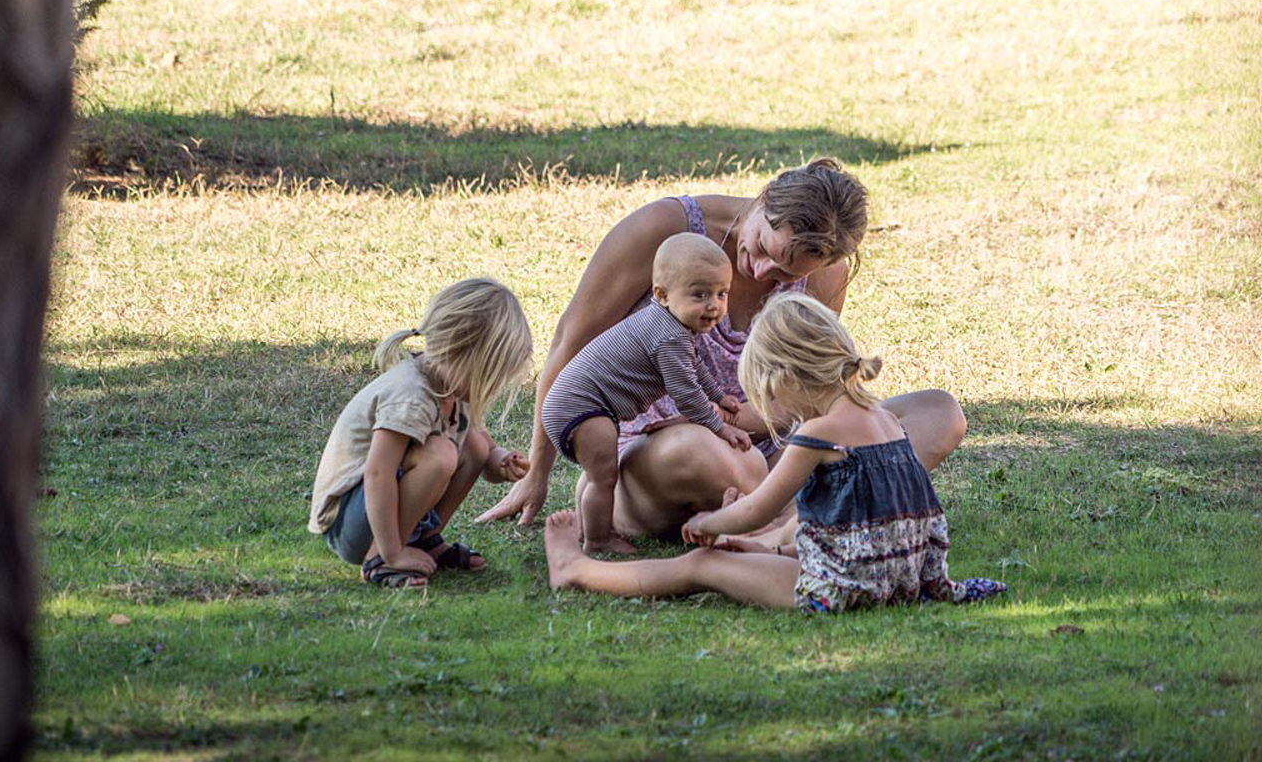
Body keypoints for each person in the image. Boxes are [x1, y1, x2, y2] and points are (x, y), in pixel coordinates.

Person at [478, 158, 967, 537]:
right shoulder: (665, 230)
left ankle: (771, 524)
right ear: (764, 198)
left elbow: (807, 390)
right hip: (660, 453)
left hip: (764, 450)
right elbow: (572, 340)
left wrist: (746, 422)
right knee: (710, 451)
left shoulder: (824, 271)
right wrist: (537, 472)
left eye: (786, 275)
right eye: (762, 249)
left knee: (938, 414)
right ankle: (791, 524)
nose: (760, 274)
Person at [543, 293, 1006, 611]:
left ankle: (577, 569)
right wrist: (766, 546)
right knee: (746, 553)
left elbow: (757, 508)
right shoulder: (886, 422)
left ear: (785, 379)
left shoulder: (817, 434)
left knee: (702, 565)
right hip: (902, 580)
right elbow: (857, 520)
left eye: (766, 393)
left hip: (843, 587)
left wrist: (708, 524)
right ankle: (759, 555)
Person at [308, 277, 533, 588]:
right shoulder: (411, 397)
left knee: (476, 445)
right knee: (440, 455)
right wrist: (391, 551)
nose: (491, 388)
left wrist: (502, 461)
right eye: (488, 376)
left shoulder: (453, 389)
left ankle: (425, 540)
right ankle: (382, 561)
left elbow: (484, 458)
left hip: (380, 513)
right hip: (350, 521)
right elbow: (377, 473)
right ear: (461, 355)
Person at [541, 233, 752, 554]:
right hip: (582, 406)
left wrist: (720, 396)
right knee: (604, 476)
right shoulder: (667, 337)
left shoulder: (671, 327)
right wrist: (720, 426)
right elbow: (686, 394)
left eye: (722, 293)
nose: (714, 305)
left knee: (600, 470)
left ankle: (587, 525)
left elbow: (695, 368)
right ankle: (597, 539)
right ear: (662, 295)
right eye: (700, 294)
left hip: (575, 404)